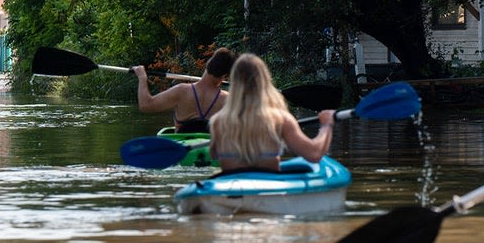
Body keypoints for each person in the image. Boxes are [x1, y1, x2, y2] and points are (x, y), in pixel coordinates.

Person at [207, 53, 336, 172]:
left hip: (230, 189)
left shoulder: (217, 122)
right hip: (268, 189)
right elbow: (314, 154)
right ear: (264, 81)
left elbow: (213, 155)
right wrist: (326, 125)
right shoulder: (280, 119)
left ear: (234, 83)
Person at [132, 47, 235, 133]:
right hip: (211, 150)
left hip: (182, 150)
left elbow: (145, 105)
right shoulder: (228, 99)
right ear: (225, 76)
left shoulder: (181, 91)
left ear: (208, 63)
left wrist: (142, 77)